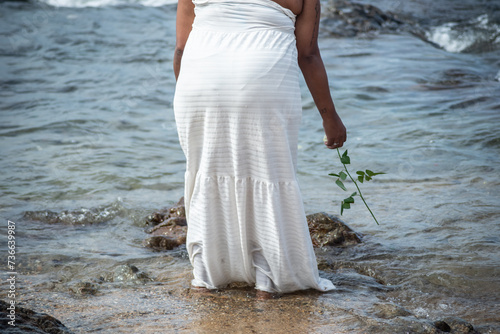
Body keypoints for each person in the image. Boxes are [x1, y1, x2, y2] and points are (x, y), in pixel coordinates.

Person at [173, 0, 346, 299]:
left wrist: (194, 96)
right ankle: (267, 280)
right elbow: (308, 54)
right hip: (263, 77)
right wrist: (330, 118)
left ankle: (205, 277)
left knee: (206, 174)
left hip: (197, 80)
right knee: (269, 172)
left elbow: (180, 49)